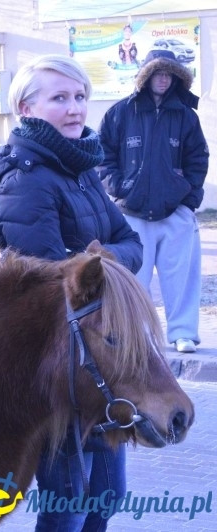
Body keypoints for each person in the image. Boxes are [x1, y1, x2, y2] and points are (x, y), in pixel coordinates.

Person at [0, 54, 143, 531]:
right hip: (56, 367)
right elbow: (54, 287)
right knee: (68, 505)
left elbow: (132, 243)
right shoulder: (24, 179)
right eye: (60, 98)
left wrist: (98, 261)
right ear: (26, 109)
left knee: (108, 495)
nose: (75, 109)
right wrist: (95, 263)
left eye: (79, 97)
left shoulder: (79, 167)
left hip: (99, 357)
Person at [99, 49, 209, 354]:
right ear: (145, 76)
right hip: (131, 214)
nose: (163, 79)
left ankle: (183, 333)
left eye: (168, 74)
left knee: (182, 278)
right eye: (157, 73)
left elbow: (198, 159)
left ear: (175, 77)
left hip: (176, 213)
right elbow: (102, 155)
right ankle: (138, 336)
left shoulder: (186, 116)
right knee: (133, 279)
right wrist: (120, 189)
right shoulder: (120, 112)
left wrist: (188, 201)